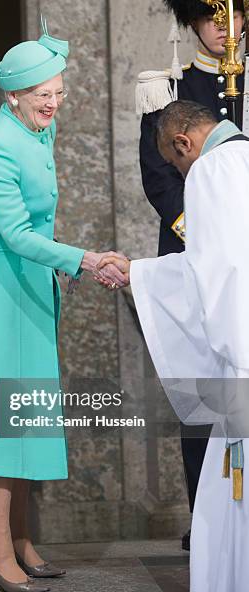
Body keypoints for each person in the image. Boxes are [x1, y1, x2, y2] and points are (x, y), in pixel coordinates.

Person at [0, 24, 125, 592]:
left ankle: (18, 539)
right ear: (12, 95)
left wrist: (68, 263)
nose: (54, 104)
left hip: (24, 278)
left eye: (59, 92)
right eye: (44, 96)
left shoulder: (36, 128)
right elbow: (14, 233)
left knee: (25, 406)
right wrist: (84, 259)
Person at [97, 100, 249, 592]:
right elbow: (209, 266)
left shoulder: (211, 168)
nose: (181, 172)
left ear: (183, 144)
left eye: (175, 163)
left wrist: (234, 352)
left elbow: (223, 272)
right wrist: (140, 272)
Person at [137, 0, 245, 548]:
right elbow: (161, 180)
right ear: (193, 22)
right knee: (203, 390)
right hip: (193, 254)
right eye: (213, 16)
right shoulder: (169, 89)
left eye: (236, 15)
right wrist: (208, 235)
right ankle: (206, 520)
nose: (226, 29)